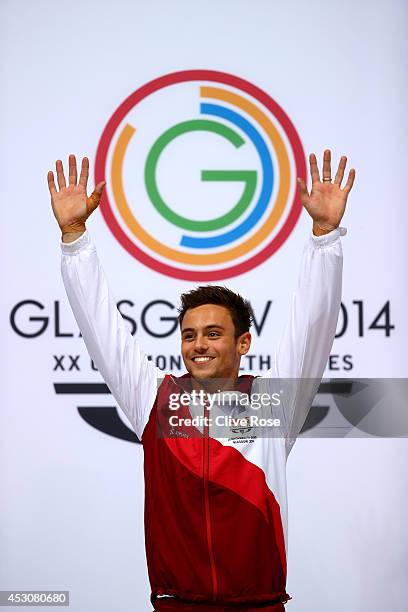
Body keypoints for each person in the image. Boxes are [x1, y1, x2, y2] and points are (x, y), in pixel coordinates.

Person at [47, 151, 355, 611]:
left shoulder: (273, 403)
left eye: (214, 333)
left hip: (260, 605)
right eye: (189, 335)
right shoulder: (154, 397)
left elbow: (314, 325)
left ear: (243, 342)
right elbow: (101, 329)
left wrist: (325, 239)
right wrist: (75, 238)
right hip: (176, 603)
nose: (199, 345)